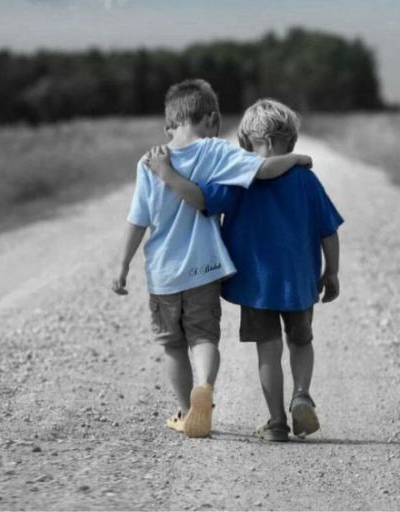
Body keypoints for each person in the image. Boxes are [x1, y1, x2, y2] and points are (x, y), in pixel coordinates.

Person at [112, 81, 313, 439]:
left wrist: (123, 265)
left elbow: (137, 220)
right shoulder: (216, 152)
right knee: (204, 339)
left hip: (163, 274)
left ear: (169, 125)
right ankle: (204, 384)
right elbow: (264, 169)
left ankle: (188, 411)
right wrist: (296, 159)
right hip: (205, 269)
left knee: (173, 346)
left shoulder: (149, 161)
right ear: (211, 118)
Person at [145, 98, 343, 442]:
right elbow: (329, 230)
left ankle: (277, 422)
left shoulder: (238, 177)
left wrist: (168, 174)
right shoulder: (305, 180)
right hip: (299, 280)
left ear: (248, 141)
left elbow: (202, 201)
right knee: (301, 341)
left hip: (257, 285)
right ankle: (301, 394)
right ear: (290, 141)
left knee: (268, 349)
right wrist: (332, 272)